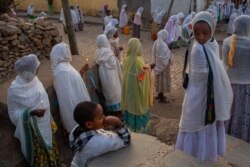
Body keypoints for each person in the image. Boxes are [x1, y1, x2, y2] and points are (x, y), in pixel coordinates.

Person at [176, 12, 233, 161]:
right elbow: (203, 74)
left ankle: (204, 154)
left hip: (208, 93)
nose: (201, 37)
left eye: (205, 33)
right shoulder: (198, 49)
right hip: (198, 94)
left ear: (212, 31)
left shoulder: (211, 44)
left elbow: (215, 65)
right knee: (197, 124)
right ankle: (195, 154)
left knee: (205, 124)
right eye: (197, 33)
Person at [7, 54, 59, 166]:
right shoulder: (14, 91)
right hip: (32, 130)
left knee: (50, 143)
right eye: (35, 70)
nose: (37, 71)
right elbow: (13, 113)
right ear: (26, 72)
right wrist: (30, 113)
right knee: (39, 152)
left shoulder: (35, 80)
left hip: (45, 122)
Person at [69, 101, 131, 167]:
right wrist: (118, 123)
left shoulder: (76, 130)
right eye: (100, 117)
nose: (104, 118)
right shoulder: (97, 142)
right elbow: (125, 140)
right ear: (89, 124)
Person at [50, 42, 90, 133]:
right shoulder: (65, 68)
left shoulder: (62, 69)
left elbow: (67, 98)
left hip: (75, 110)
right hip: (78, 108)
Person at [222, 15, 250, 143]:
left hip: (229, 85)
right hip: (245, 87)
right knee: (242, 112)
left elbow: (225, 64)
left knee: (228, 110)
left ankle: (224, 133)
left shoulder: (227, 42)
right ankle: (241, 137)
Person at [122, 38, 153, 133]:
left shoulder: (126, 58)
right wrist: (148, 69)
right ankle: (140, 129)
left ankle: (130, 127)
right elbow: (141, 77)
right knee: (137, 106)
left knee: (130, 105)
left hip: (128, 88)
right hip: (136, 90)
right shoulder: (138, 60)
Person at [95, 34, 123, 118]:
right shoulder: (108, 52)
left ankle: (111, 111)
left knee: (108, 92)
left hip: (104, 75)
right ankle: (118, 112)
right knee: (115, 91)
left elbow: (97, 62)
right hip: (112, 76)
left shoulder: (98, 51)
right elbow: (113, 63)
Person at [151, 30, 172, 103]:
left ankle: (159, 94)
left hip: (158, 65)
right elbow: (165, 56)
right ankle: (162, 96)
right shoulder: (163, 45)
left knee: (159, 79)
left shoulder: (156, 42)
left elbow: (154, 54)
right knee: (163, 79)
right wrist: (170, 54)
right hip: (164, 66)